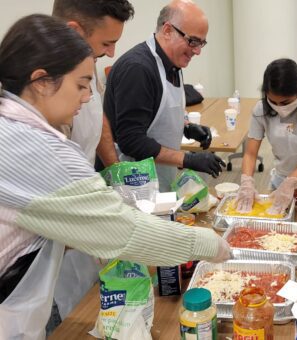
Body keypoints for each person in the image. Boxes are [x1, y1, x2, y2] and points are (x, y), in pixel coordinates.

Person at [0, 14, 230, 339]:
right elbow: (126, 232)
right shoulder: (38, 148)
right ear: (40, 81)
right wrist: (209, 244)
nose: (86, 98)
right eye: (81, 86)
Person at [51, 0, 135, 323]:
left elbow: (96, 114)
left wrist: (115, 173)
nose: (112, 53)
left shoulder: (83, 64)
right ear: (74, 32)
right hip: (53, 248)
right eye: (106, 43)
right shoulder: (40, 100)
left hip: (82, 225)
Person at [104, 0, 225, 192]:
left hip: (158, 177)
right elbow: (131, 141)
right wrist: (188, 159)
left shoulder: (172, 63)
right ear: (168, 30)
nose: (197, 51)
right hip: (132, 183)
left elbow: (155, 113)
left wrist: (186, 128)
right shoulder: (138, 69)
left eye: (201, 43)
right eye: (192, 41)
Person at [236, 58, 297, 215]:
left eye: (286, 102)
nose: (279, 107)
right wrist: (247, 182)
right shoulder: (260, 110)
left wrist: (292, 182)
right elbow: (250, 153)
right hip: (281, 184)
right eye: (273, 102)